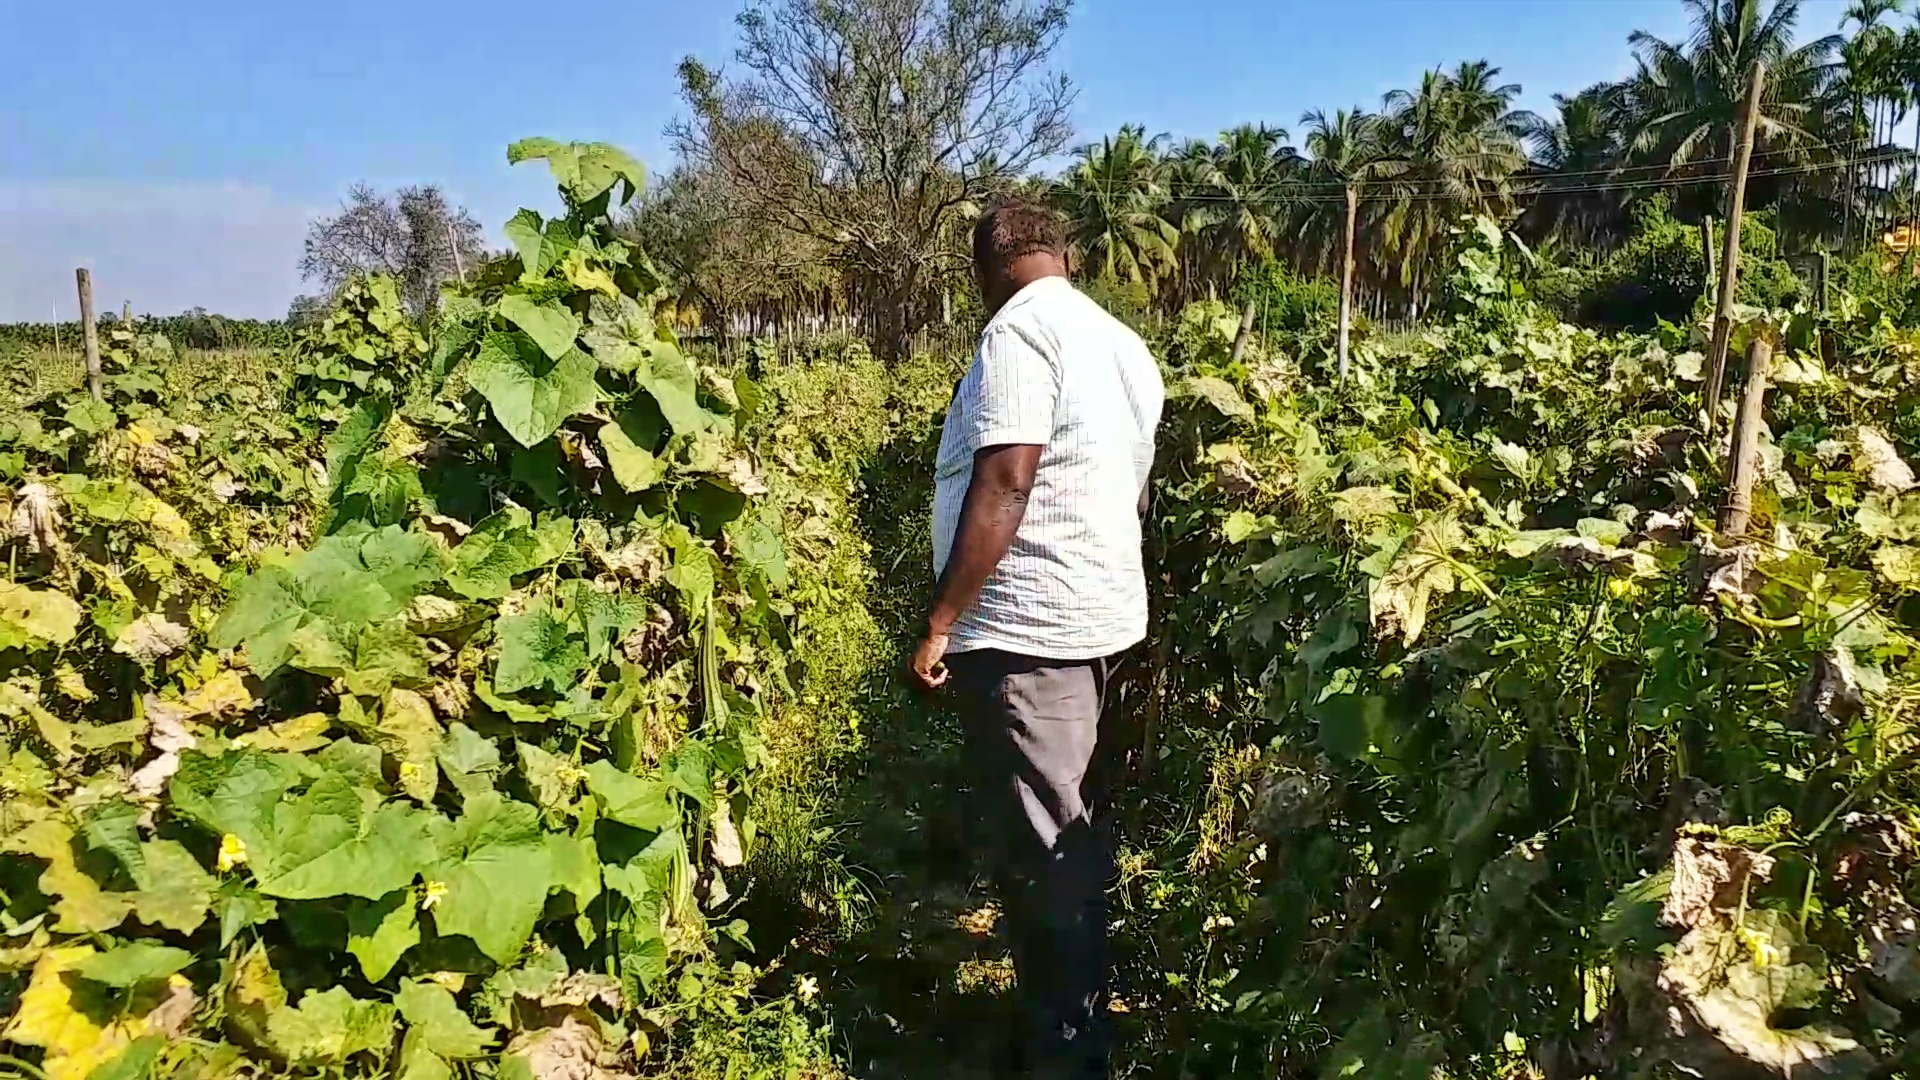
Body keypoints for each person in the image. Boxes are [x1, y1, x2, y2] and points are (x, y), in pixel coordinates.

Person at [909, 201, 1165, 1078]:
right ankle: (1070, 1017)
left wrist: (942, 621)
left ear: (987, 269)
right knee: (1068, 818)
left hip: (1030, 632)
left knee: (1045, 842)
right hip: (1094, 622)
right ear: (1063, 255)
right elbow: (1131, 494)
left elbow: (1008, 480)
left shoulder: (1018, 334)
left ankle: (1066, 1045)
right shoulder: (1123, 345)